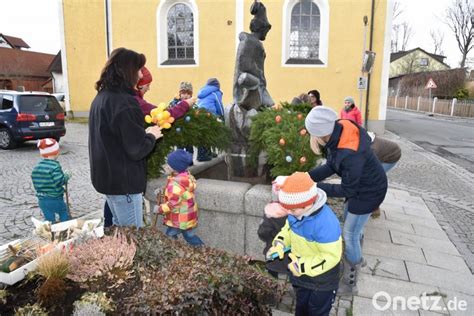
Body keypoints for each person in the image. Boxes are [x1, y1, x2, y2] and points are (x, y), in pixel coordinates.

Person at [305, 106, 387, 296]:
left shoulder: (349, 153)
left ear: (320, 134)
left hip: (368, 192)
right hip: (361, 187)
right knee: (353, 228)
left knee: (349, 233)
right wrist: (307, 178)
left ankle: (351, 283)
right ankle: (357, 257)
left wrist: (315, 188)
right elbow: (331, 166)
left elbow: (347, 189)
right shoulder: (339, 130)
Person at [89, 47, 163, 228]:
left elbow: (117, 137)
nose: (140, 75)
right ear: (128, 71)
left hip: (109, 180)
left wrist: (141, 134)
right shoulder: (125, 102)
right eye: (138, 70)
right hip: (124, 184)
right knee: (132, 239)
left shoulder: (102, 97)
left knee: (119, 234)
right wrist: (151, 135)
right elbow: (137, 150)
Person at [266, 172, 342, 316]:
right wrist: (280, 244)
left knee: (316, 312)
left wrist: (301, 266)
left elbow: (331, 256)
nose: (288, 212)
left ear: (308, 203)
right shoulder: (296, 212)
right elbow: (287, 230)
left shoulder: (326, 224)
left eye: (292, 209)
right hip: (301, 275)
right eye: (286, 208)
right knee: (301, 309)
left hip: (322, 281)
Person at [158, 149, 204, 246]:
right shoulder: (186, 177)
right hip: (188, 215)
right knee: (189, 235)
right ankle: (202, 248)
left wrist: (159, 209)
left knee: (169, 236)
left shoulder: (175, 185)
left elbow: (172, 204)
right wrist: (164, 190)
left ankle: (174, 250)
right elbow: (179, 195)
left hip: (179, 218)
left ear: (175, 167)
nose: (166, 165)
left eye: (168, 164)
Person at [31, 138, 71, 223]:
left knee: (49, 218)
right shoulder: (55, 167)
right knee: (63, 212)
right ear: (56, 153)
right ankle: (64, 229)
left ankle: (51, 231)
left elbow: (35, 181)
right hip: (55, 198)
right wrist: (67, 176)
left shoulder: (36, 168)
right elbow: (60, 181)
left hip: (42, 199)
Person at [257, 176, 289, 278]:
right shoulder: (296, 212)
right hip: (291, 257)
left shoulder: (271, 212)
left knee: (271, 276)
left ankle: (274, 288)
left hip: (274, 255)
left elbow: (262, 232)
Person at [369, 132, 402, 218]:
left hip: (392, 155)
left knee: (373, 179)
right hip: (382, 152)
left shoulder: (372, 149)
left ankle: (375, 208)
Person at [196, 78, 224, 161]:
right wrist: (222, 116)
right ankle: (202, 155)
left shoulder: (202, 92)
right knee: (208, 134)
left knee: (203, 134)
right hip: (209, 115)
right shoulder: (216, 92)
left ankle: (206, 153)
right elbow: (219, 105)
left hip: (199, 113)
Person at [170, 81, 194, 154]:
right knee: (179, 147)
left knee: (189, 147)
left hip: (189, 131)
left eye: (188, 93)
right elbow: (170, 112)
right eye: (183, 93)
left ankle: (190, 161)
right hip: (178, 130)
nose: (186, 96)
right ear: (180, 94)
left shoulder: (193, 104)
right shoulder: (174, 103)